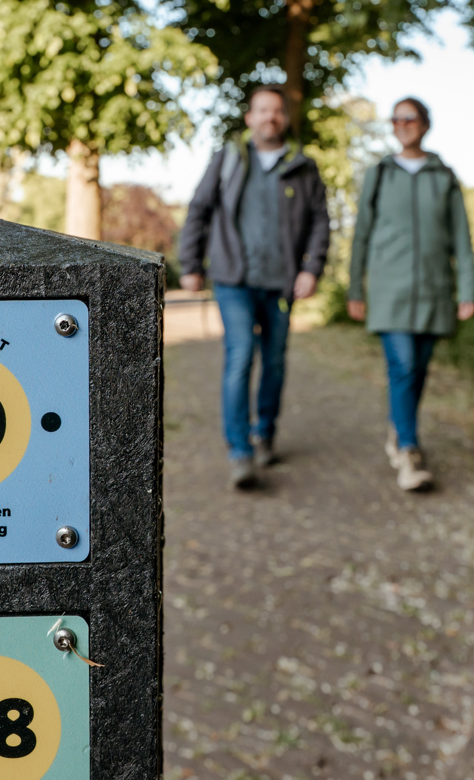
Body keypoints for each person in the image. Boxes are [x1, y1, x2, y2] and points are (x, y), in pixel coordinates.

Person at [179, 84, 330, 488]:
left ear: (285, 118)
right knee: (241, 354)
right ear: (250, 118)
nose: (270, 117)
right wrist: (190, 264)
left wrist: (311, 268)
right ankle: (240, 451)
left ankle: (265, 433)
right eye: (262, 110)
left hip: (281, 285)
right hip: (234, 280)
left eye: (277, 111)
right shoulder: (228, 159)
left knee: (275, 361)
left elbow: (319, 221)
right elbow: (199, 209)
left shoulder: (303, 166)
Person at [347, 97, 474, 491]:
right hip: (390, 292)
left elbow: (460, 238)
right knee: (401, 366)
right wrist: (355, 287)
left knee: (417, 370)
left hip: (434, 291)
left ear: (424, 124)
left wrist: (467, 289)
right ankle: (409, 450)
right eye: (396, 118)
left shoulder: (444, 176)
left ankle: (399, 429)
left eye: (410, 117)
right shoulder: (380, 174)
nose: (402, 124)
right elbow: (362, 234)